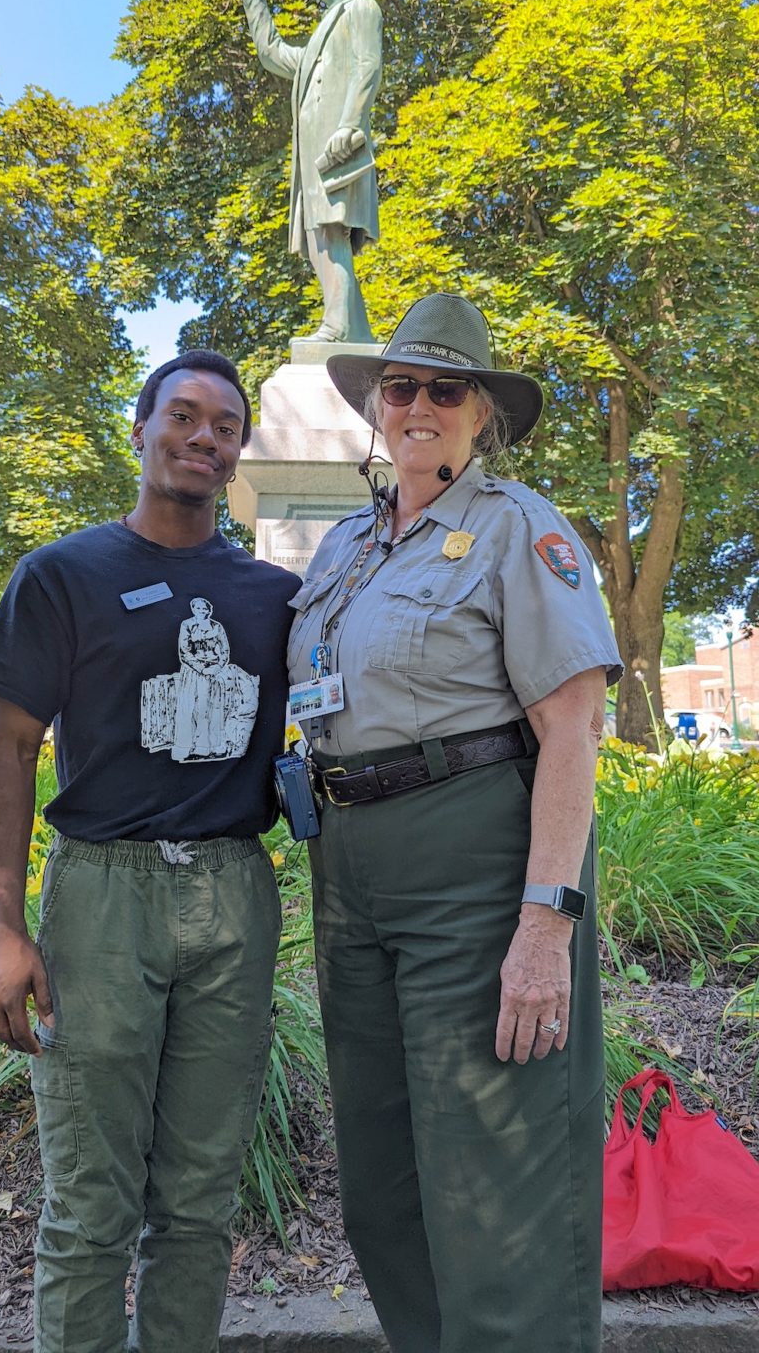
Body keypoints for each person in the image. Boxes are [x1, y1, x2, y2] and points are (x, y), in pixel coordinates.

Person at [286, 294, 623, 1353]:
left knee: (497, 1178)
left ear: (482, 413)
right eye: (402, 387)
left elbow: (571, 732)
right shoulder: (345, 546)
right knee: (382, 1181)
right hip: (352, 870)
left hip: (475, 862)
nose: (419, 404)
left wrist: (545, 928)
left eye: (445, 388)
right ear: (378, 407)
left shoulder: (520, 527)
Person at [0, 350, 300, 1353]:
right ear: (141, 429)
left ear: (240, 450)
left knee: (199, 1206)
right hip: (102, 901)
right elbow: (11, 748)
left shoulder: (274, 598)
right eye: (184, 416)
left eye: (225, 425)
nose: (204, 436)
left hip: (234, 897)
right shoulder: (62, 575)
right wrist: (2, 928)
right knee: (87, 1210)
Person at [241, 0, 381, 343]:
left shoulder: (360, 8)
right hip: (312, 154)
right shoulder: (318, 39)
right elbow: (271, 52)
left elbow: (368, 66)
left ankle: (337, 328)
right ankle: (357, 336)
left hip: (339, 145)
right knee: (320, 237)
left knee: (332, 232)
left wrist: (350, 124)